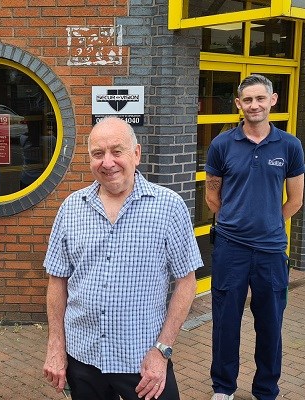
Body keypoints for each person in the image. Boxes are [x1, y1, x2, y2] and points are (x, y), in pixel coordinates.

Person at [43, 117, 203, 400]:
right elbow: (57, 281)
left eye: (117, 151)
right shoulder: (71, 208)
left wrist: (162, 350)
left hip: (143, 361)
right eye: (98, 154)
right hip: (84, 356)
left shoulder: (169, 207)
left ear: (136, 154)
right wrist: (56, 346)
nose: (107, 162)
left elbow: (187, 283)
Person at [205, 74, 305, 400]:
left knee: (270, 324)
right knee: (225, 322)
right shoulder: (222, 145)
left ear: (272, 100)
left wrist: (268, 223)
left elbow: (296, 199)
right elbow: (212, 197)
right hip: (230, 249)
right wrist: (236, 222)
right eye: (247, 100)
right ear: (238, 104)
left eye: (260, 98)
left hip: (271, 251)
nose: (254, 105)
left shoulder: (290, 145)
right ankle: (223, 388)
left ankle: (266, 390)